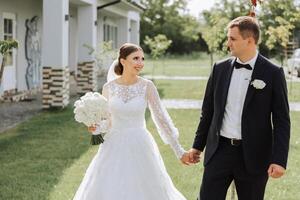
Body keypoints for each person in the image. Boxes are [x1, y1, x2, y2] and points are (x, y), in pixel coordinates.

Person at [181, 16, 290, 200]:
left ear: (249, 41)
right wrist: (197, 147)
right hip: (219, 151)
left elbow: (282, 121)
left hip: (254, 155)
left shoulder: (273, 73)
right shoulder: (219, 68)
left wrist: (279, 160)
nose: (228, 43)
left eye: (232, 39)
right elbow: (208, 111)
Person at [73, 43, 187, 200]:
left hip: (140, 143)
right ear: (123, 61)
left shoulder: (147, 86)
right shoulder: (108, 87)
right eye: (135, 58)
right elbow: (108, 121)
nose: (140, 63)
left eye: (142, 59)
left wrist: (179, 150)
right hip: (113, 144)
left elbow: (161, 119)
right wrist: (96, 127)